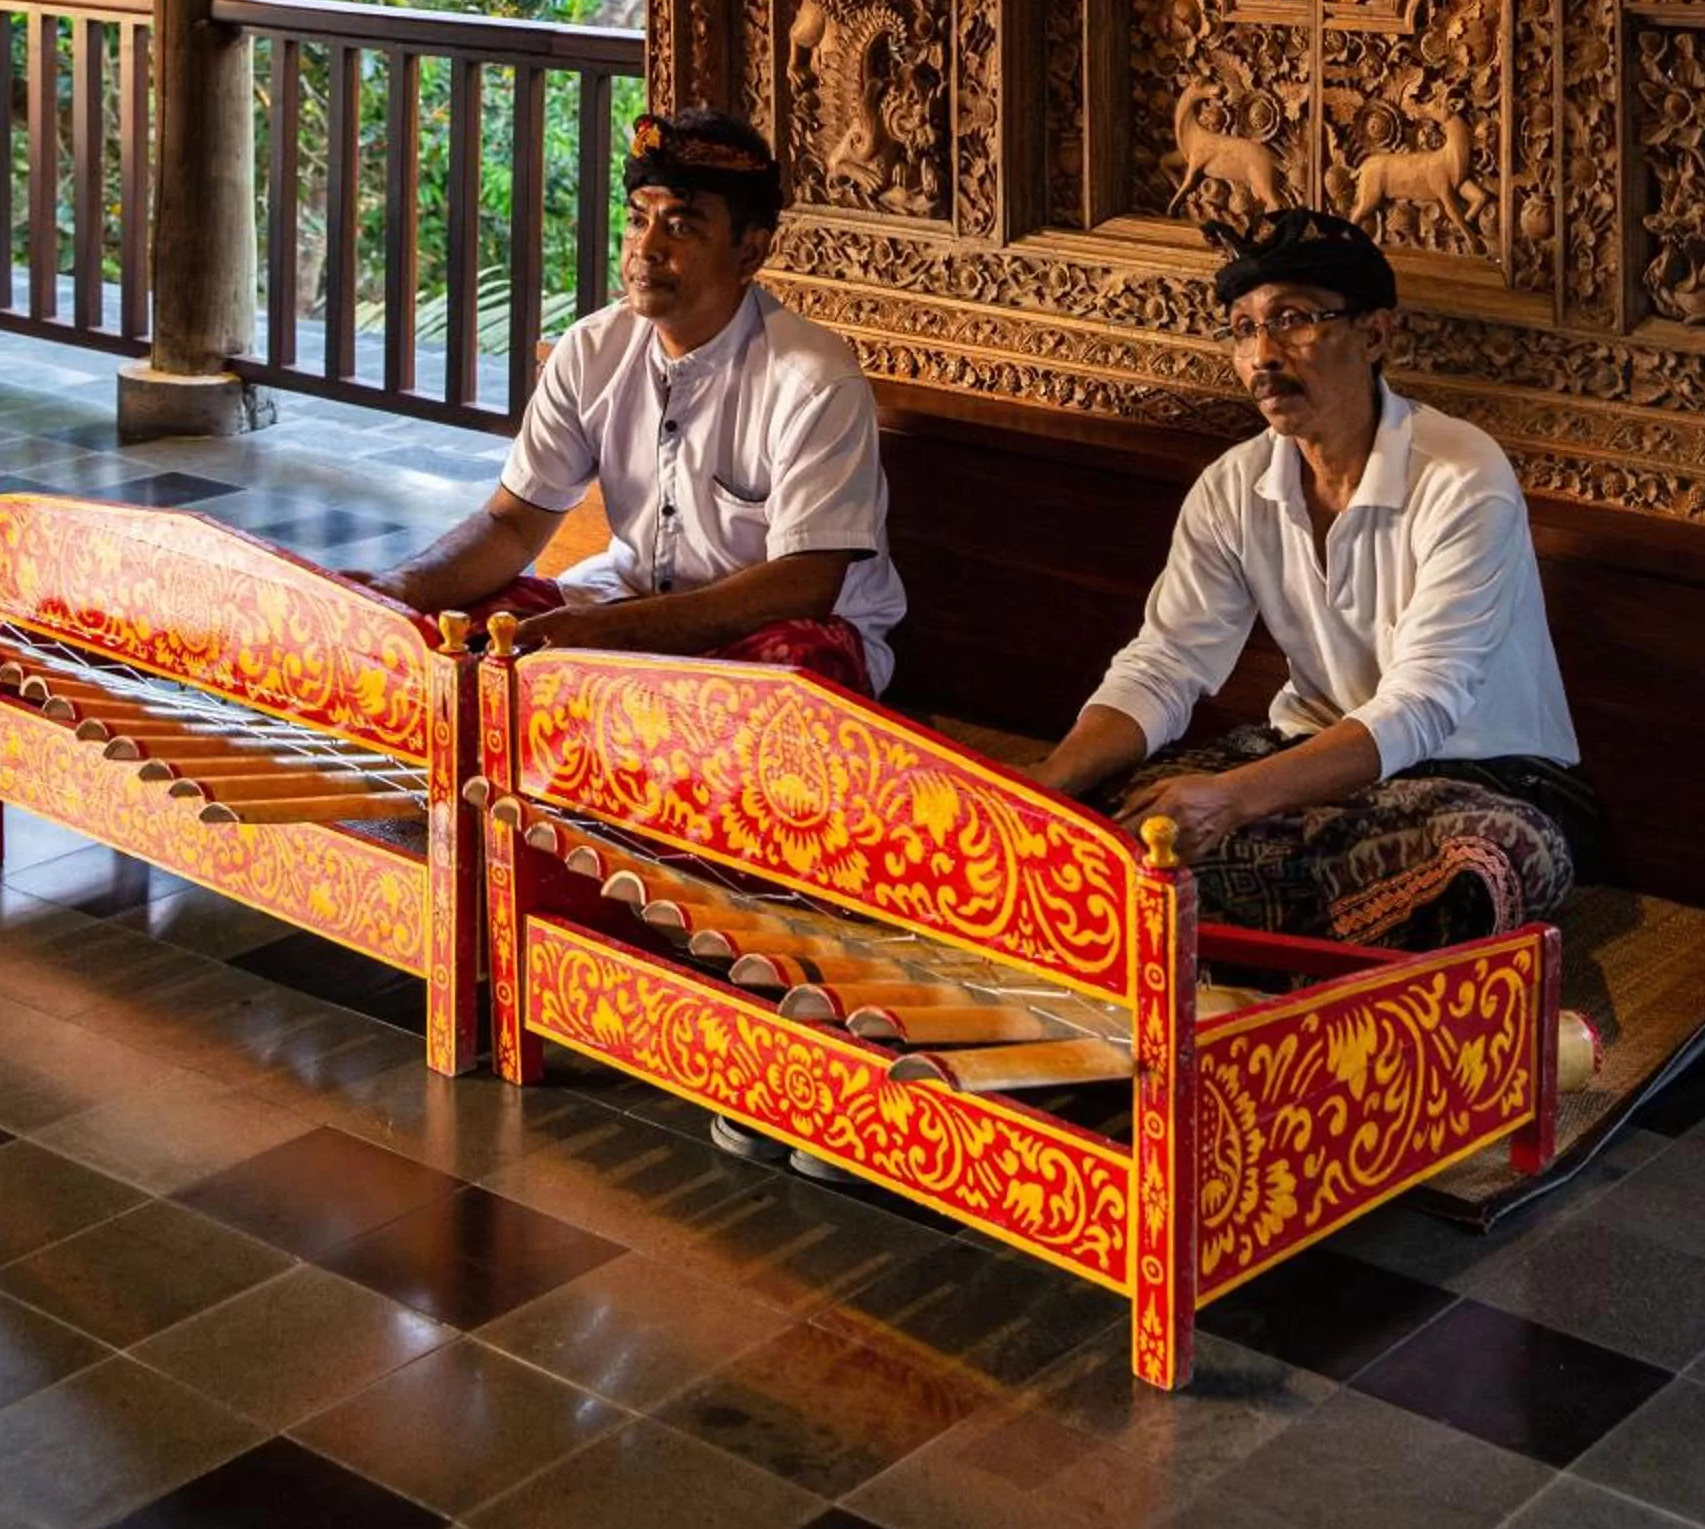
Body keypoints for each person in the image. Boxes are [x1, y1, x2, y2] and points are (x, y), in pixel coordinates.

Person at [1029, 205, 1594, 947]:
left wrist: (1230, 802)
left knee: (1494, 859)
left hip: (1481, 777)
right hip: (1302, 755)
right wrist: (1047, 785)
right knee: (1098, 813)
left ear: (1375, 334)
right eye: (1243, 328)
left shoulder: (1462, 474)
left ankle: (1178, 941)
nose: (1263, 353)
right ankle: (1232, 945)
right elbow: (1165, 665)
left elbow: (1422, 706)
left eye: (1293, 320)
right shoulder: (1234, 485)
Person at [367, 106, 904, 697]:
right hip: (621, 601)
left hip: (776, 628)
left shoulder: (813, 381)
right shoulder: (591, 350)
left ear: (750, 253)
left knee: (781, 684)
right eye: (636, 220)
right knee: (456, 640)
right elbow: (513, 525)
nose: (646, 249)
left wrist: (616, 633)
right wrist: (394, 590)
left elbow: (803, 584)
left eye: (681, 226)